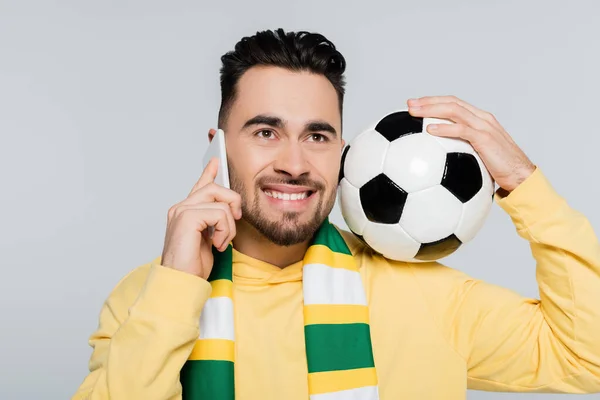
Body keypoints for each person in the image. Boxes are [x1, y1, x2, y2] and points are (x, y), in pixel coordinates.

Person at [72, 28, 600, 400]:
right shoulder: (148, 298)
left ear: (345, 153)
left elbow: (589, 359)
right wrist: (175, 286)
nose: (295, 164)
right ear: (217, 148)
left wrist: (526, 184)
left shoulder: (429, 296)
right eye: (265, 132)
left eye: (317, 136)